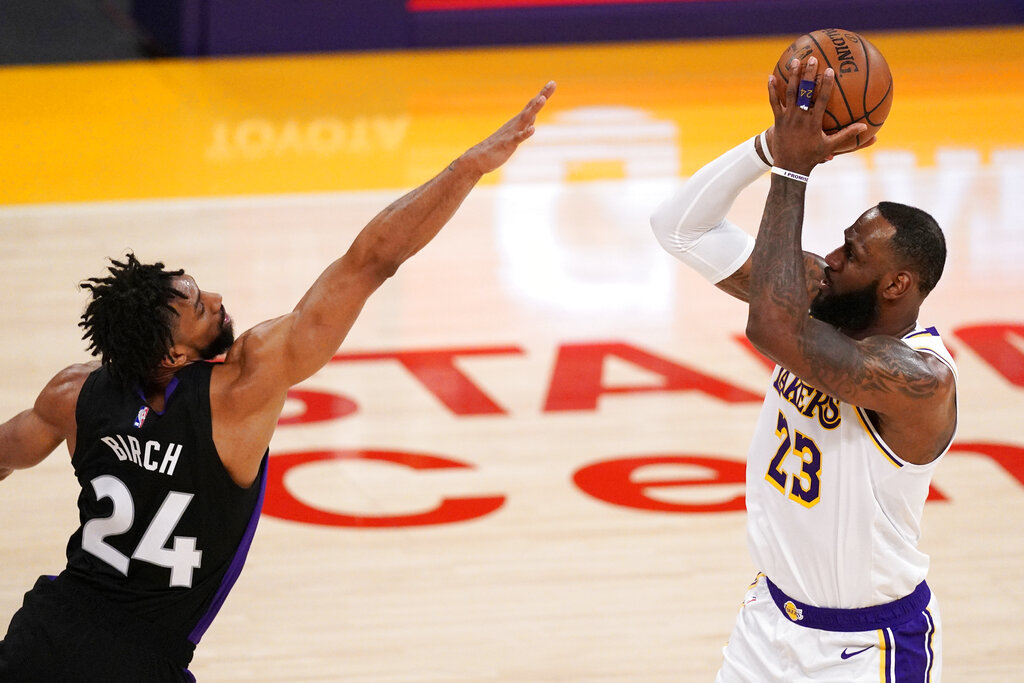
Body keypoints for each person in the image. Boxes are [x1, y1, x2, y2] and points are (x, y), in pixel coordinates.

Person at [0, 81, 556, 682]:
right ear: (173, 356)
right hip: (138, 661)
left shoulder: (72, 394)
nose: (215, 297)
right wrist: (466, 168)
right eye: (198, 306)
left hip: (44, 634)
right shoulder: (243, 388)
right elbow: (369, 262)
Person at [651, 57, 955, 681]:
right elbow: (678, 227)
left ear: (897, 284)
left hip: (867, 648)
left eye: (855, 252)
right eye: (844, 240)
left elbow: (771, 329)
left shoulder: (920, 379)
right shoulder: (813, 295)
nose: (835, 256)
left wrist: (794, 169)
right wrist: (769, 147)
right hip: (767, 623)